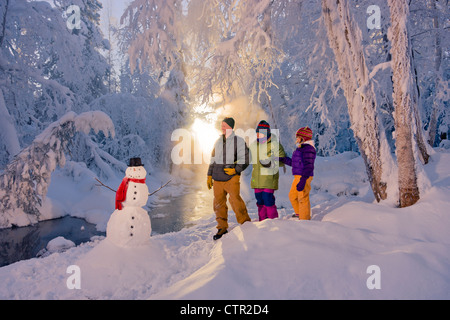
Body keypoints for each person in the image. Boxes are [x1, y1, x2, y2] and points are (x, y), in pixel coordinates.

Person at [207, 117, 251, 240]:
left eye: (225, 126)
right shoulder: (218, 141)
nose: (222, 128)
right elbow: (213, 159)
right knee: (218, 203)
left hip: (231, 177)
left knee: (235, 200)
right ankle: (221, 227)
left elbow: (246, 158)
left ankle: (245, 223)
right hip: (217, 177)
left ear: (231, 127)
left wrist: (236, 170)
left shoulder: (239, 141)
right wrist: (209, 175)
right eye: (222, 126)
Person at [249, 120, 286, 221]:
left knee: (268, 199)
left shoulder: (274, 144)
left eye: (260, 133)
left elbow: (283, 160)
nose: (258, 135)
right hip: (257, 179)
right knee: (260, 201)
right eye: (257, 133)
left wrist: (271, 162)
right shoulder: (253, 145)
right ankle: (263, 221)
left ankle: (272, 221)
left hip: (269, 178)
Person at [280, 126, 316, 220]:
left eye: (298, 137)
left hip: (305, 176)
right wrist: (283, 160)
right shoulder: (300, 148)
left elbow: (309, 166)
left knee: (302, 197)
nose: (297, 139)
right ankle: (299, 213)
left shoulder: (308, 149)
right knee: (292, 196)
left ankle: (304, 219)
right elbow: (295, 163)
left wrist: (303, 180)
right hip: (298, 176)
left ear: (304, 138)